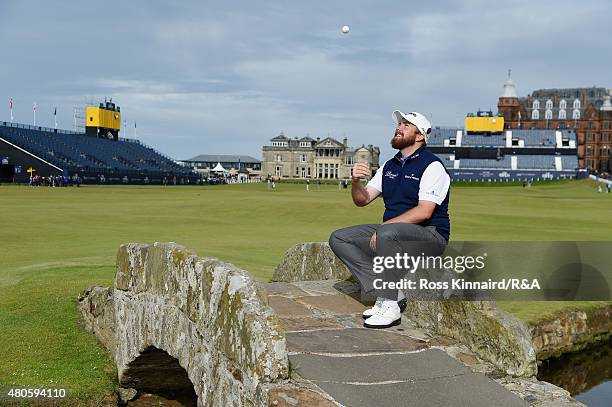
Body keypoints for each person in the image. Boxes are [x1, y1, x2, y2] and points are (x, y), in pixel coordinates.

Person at [329, 110, 450, 329]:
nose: (399, 127)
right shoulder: (389, 165)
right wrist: (355, 182)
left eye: (406, 125)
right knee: (339, 238)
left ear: (420, 135)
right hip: (393, 233)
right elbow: (363, 200)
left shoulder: (432, 165)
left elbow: (424, 211)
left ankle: (391, 305)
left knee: (386, 232)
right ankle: (388, 292)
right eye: (399, 124)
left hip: (430, 235)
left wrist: (384, 227)